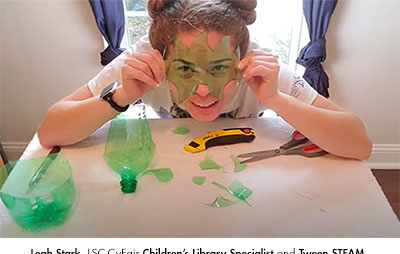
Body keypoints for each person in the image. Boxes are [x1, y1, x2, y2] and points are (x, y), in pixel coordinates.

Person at [37, 0, 372, 160]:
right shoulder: (140, 65)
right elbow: (50, 131)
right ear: (161, 59)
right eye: (184, 69)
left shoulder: (260, 69)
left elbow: (359, 145)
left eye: (218, 69)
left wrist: (275, 99)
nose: (202, 90)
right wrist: (121, 95)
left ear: (241, 59)